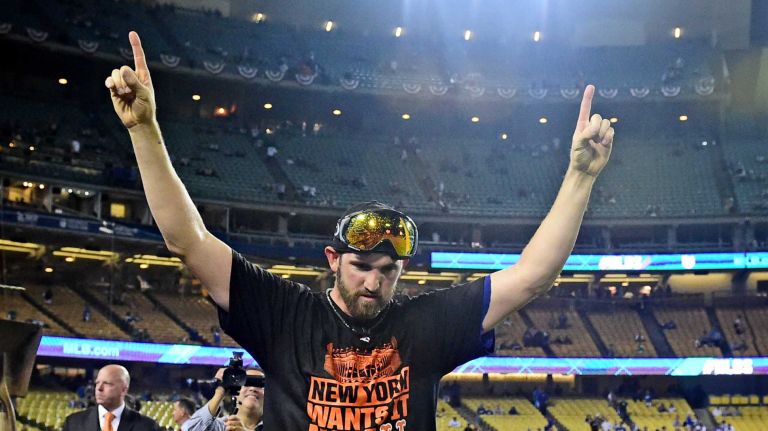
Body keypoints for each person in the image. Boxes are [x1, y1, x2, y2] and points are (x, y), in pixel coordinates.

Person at [105, 32, 614, 430]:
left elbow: (532, 276)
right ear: (332, 259)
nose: (374, 281)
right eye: (362, 266)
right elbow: (186, 240)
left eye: (388, 271)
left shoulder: (424, 325)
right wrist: (144, 130)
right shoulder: (284, 313)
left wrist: (580, 177)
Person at [62, 364, 160, 431]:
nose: (99, 388)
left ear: (123, 390)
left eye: (107, 383)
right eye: (97, 383)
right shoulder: (73, 423)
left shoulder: (147, 426)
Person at [183, 367, 265, 431]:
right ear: (236, 390)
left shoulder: (275, 426)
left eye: (260, 385)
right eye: (247, 383)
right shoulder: (223, 426)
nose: (253, 389)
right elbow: (192, 428)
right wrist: (220, 392)